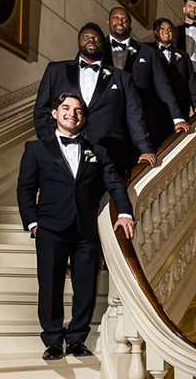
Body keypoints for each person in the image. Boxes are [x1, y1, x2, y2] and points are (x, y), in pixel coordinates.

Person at [17, 93, 135, 360]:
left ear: (84, 118)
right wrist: (34, 223)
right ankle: (53, 340)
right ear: (55, 113)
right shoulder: (35, 149)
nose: (73, 113)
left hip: (85, 230)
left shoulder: (98, 151)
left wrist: (125, 212)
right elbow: (25, 189)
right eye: (66, 108)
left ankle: (77, 338)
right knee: (50, 285)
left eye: (79, 110)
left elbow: (115, 184)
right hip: (50, 228)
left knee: (85, 288)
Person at [32, 23, 154, 173]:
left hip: (110, 154)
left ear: (103, 46)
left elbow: (135, 116)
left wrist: (144, 148)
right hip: (62, 154)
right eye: (86, 37)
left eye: (97, 39)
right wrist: (51, 140)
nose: (92, 40)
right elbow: (41, 109)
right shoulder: (55, 70)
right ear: (78, 43)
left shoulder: (122, 78)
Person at [103, 7, 189, 152]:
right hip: (106, 123)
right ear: (108, 22)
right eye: (116, 18)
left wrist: (177, 118)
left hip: (141, 122)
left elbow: (163, 86)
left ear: (130, 25)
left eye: (124, 20)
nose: (120, 22)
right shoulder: (97, 49)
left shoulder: (148, 52)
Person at [149, 18, 196, 145]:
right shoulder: (148, 52)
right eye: (163, 29)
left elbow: (191, 81)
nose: (167, 32)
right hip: (157, 110)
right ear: (155, 32)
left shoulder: (183, 55)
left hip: (181, 107)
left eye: (170, 30)